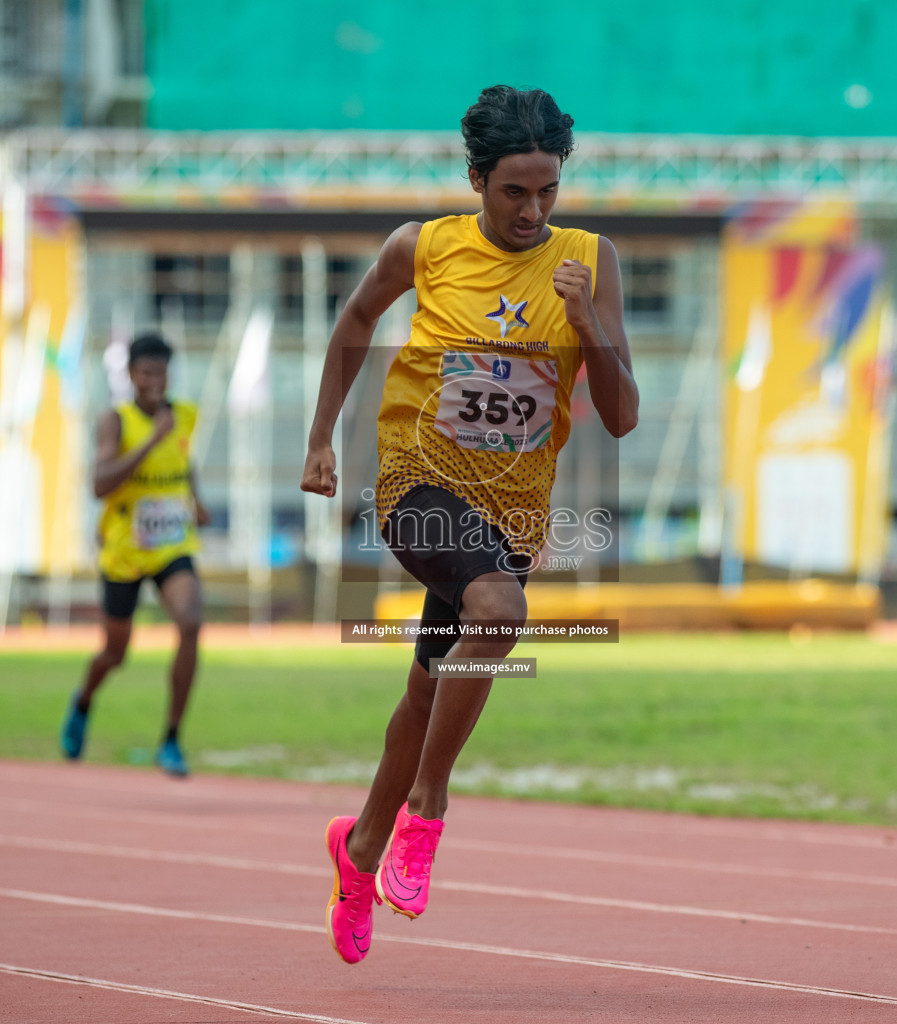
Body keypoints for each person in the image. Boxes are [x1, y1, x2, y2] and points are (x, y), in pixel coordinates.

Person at [301, 85, 638, 964]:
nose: (533, 212)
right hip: (417, 482)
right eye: (513, 192)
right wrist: (321, 437)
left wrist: (588, 323)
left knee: (428, 686)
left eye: (548, 192)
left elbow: (622, 413)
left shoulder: (591, 261)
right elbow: (355, 321)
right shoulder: (424, 246)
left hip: (513, 512)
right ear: (477, 180)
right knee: (498, 613)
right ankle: (428, 812)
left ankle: (360, 846)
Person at [60, 331, 210, 778]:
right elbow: (99, 483)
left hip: (171, 546)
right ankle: (84, 699)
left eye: (161, 372)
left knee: (191, 622)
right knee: (115, 653)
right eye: (146, 373)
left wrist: (196, 498)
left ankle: (171, 740)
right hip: (124, 551)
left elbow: (182, 460)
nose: (155, 381)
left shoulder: (184, 415)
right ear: (130, 375)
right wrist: (149, 442)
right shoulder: (116, 421)